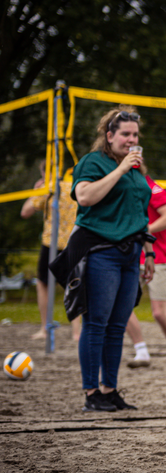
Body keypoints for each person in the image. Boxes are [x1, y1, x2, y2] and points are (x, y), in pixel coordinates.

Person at [68, 106, 155, 412]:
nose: (131, 140)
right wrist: (120, 169)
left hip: (130, 255)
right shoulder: (94, 162)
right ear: (109, 136)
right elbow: (85, 197)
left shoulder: (136, 170)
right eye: (125, 134)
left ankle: (110, 390)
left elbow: (137, 213)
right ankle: (92, 393)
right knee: (96, 323)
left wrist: (148, 251)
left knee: (117, 326)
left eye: (135, 134)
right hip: (100, 253)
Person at [20, 166, 81, 342]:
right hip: (73, 241)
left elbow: (25, 211)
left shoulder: (48, 188)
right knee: (74, 286)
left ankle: (45, 328)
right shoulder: (74, 185)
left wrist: (36, 190)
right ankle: (76, 333)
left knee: (43, 285)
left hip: (52, 243)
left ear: (45, 172)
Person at [125, 164, 166, 367]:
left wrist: (142, 231)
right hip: (130, 257)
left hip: (160, 257)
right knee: (122, 307)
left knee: (159, 312)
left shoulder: (153, 188)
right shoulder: (122, 190)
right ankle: (141, 351)